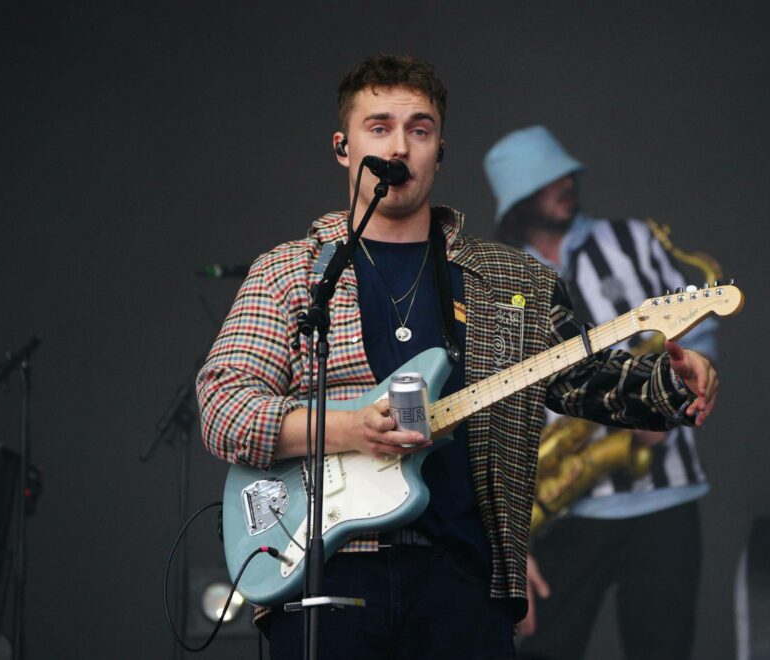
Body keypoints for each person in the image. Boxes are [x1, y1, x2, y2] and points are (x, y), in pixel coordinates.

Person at [196, 56, 719, 660]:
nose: (399, 146)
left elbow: (581, 379)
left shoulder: (508, 278)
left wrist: (673, 385)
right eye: (380, 127)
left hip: (464, 580)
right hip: (326, 576)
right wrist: (348, 429)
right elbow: (223, 406)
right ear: (343, 147)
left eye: (419, 130)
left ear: (439, 150)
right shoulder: (290, 271)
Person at [484, 126, 720, 660]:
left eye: (567, 173)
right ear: (518, 197)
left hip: (667, 501)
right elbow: (500, 406)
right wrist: (511, 540)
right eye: (548, 179)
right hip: (563, 513)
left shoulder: (633, 240)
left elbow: (698, 325)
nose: (566, 183)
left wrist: (675, 398)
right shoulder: (504, 280)